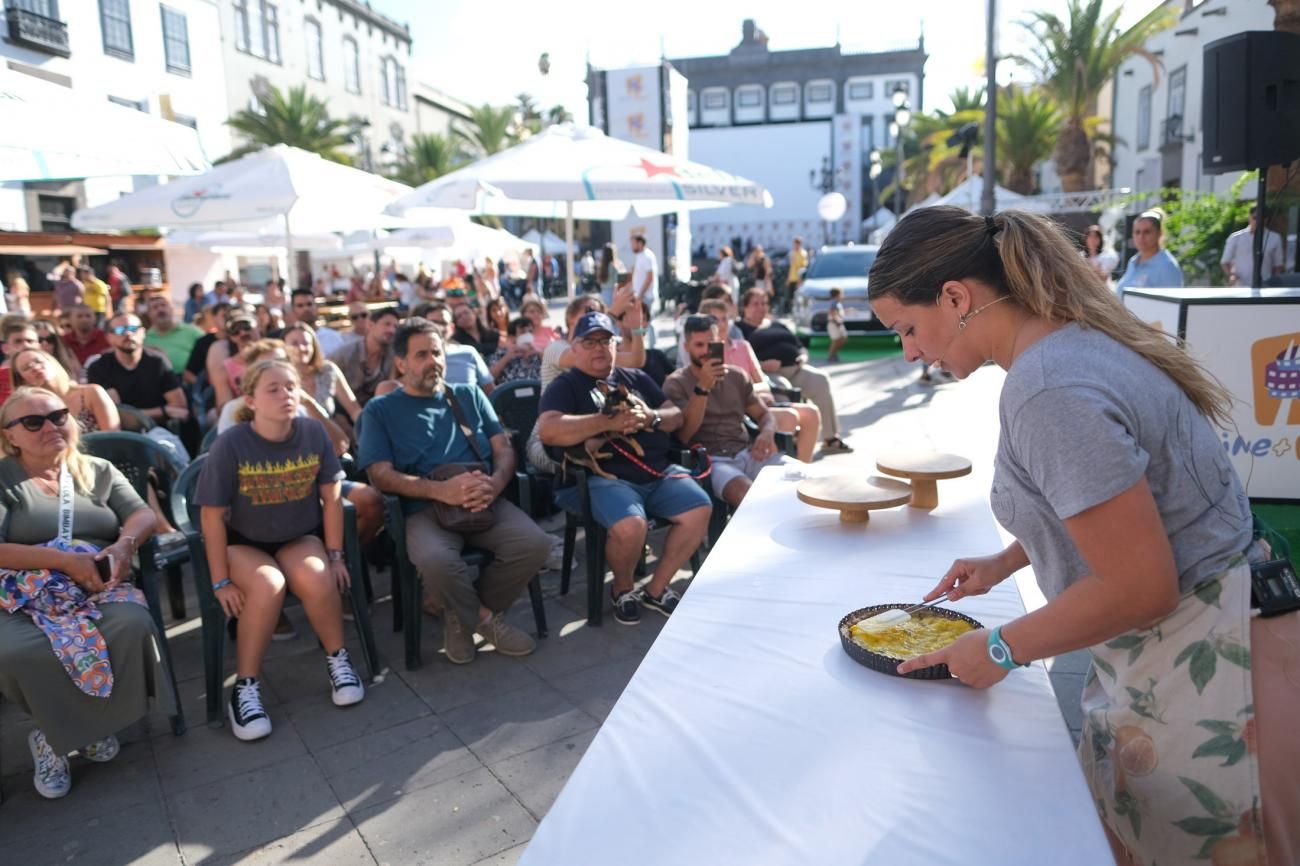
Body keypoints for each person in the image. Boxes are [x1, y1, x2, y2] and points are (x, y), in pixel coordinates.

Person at [867, 205, 1299, 866]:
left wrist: (1001, 648)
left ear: (956, 297)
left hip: (1208, 671)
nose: (910, 351)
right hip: (1219, 642)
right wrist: (1014, 556)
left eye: (908, 328)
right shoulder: (1073, 343)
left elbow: (1141, 585)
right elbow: (1125, 500)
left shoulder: (1046, 390)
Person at [0, 387, 170, 798]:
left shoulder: (96, 469)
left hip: (97, 586)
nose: (51, 427)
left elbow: (142, 514)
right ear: (10, 436)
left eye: (58, 416)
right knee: (16, 650)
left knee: (131, 623)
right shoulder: (4, 479)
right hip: (26, 595)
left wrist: (123, 545)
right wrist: (63, 562)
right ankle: (53, 738)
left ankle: (83, 726)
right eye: (33, 422)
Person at [359, 317, 550, 662]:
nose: (433, 361)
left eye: (437, 352)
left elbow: (503, 449)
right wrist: (440, 492)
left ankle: (458, 616)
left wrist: (495, 483)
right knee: (436, 560)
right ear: (400, 363)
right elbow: (380, 475)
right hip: (424, 508)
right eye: (422, 355)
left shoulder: (468, 394)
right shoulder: (381, 410)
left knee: (535, 544)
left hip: (483, 498)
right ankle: (483, 619)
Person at [196, 359, 365, 740]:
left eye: (290, 386)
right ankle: (246, 687)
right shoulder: (232, 443)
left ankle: (339, 660)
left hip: (297, 534)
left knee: (317, 574)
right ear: (251, 399)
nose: (285, 394)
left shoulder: (312, 433)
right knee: (268, 584)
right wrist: (220, 580)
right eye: (273, 388)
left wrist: (336, 555)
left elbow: (333, 499)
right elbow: (210, 517)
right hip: (243, 541)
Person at [538, 311, 711, 624]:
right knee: (632, 525)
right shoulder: (566, 385)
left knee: (700, 507)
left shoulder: (635, 377)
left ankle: (657, 589)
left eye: (606, 341)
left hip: (655, 472)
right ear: (574, 348)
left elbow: (676, 416)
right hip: (599, 479)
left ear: (616, 346)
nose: (599, 348)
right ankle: (623, 589)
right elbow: (549, 430)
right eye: (589, 342)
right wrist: (607, 422)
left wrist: (651, 418)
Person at [664, 316, 785, 507]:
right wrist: (702, 387)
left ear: (720, 343)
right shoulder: (676, 382)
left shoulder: (736, 376)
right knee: (747, 494)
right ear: (687, 347)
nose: (705, 351)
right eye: (699, 345)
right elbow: (684, 434)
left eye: (711, 344)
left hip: (748, 452)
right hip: (712, 461)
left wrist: (767, 432)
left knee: (800, 479)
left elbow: (764, 414)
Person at [699, 298, 821, 463]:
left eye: (724, 318)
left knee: (811, 413)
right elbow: (718, 393)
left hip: (760, 403)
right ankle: (772, 470)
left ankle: (802, 471)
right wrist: (750, 394)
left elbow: (763, 382)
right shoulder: (706, 353)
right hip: (738, 412)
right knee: (789, 416)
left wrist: (754, 392)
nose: (722, 324)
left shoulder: (743, 346)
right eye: (715, 320)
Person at [738, 289, 851, 454]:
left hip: (797, 368)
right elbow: (741, 358)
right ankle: (792, 443)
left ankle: (830, 437)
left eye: (764, 303)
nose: (761, 307)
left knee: (820, 379)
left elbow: (799, 346)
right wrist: (762, 365)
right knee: (784, 390)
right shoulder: (741, 329)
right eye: (755, 304)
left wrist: (803, 356)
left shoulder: (777, 324)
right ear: (745, 307)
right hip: (768, 374)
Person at [86, 313, 190, 427]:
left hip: (157, 430)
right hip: (118, 433)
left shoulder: (157, 362)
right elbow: (114, 413)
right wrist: (164, 411)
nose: (128, 334)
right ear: (109, 338)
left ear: (143, 333)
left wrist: (137, 414)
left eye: (133, 329)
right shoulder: (99, 368)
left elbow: (179, 407)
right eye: (120, 330)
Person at [10, 348, 116, 434]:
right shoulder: (30, 411)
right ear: (22, 380)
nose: (35, 367)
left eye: (38, 361)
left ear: (51, 362)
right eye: (26, 367)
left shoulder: (91, 392)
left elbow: (114, 438)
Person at [283, 323, 362, 424]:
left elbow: (354, 410)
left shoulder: (328, 370)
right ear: (284, 347)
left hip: (329, 434)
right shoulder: (280, 377)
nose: (302, 348)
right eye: (294, 344)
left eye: (306, 343)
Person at [329, 306, 397, 406]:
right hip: (343, 411)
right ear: (370, 325)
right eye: (386, 324)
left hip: (380, 410)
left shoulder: (394, 355)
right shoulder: (345, 353)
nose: (391, 330)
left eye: (395, 327)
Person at [1116, 210, 1183, 297]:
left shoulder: (1167, 266)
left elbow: (1172, 307)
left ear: (1159, 233)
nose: (1141, 237)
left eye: (1147, 232)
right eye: (1137, 232)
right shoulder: (1133, 261)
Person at [1220, 206, 1285, 288]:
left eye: (1262, 218)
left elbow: (1278, 265)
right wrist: (1231, 275)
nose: (1258, 221)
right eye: (1255, 217)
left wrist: (1273, 283)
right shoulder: (1235, 237)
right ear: (1249, 217)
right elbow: (1225, 262)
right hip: (1241, 286)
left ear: (1266, 219)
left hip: (1265, 286)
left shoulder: (1274, 237)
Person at [209, 310, 261, 411]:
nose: (242, 333)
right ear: (231, 337)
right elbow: (224, 407)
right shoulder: (224, 369)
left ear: (258, 327)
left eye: (246, 326)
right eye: (235, 330)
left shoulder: (276, 356)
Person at [144, 294, 204, 376]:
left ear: (172, 309)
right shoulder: (144, 339)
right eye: (155, 307)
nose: (160, 309)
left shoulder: (193, 332)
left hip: (193, 382)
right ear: (149, 314)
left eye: (163, 305)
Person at [487, 316, 543, 383]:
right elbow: (489, 377)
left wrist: (540, 354)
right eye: (523, 332)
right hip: (511, 391)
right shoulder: (501, 353)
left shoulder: (539, 353)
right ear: (512, 337)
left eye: (530, 332)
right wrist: (507, 357)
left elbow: (554, 374)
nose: (528, 335)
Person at [290, 289, 344, 357]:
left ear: (317, 307)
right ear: (293, 310)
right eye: (300, 306)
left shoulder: (334, 337)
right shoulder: (287, 339)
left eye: (309, 304)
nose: (306, 309)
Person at [0, 319, 40, 406]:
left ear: (38, 345)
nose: (26, 345)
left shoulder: (53, 370)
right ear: (5, 348)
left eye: (30, 341)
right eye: (18, 341)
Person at [630, 233, 659, 311]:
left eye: (633, 243)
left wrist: (641, 294)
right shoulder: (641, 255)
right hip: (642, 296)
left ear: (640, 243)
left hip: (646, 296)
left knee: (646, 321)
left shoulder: (647, 256)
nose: (631, 246)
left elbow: (650, 277)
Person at [785, 236, 808, 314]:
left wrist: (800, 280)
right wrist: (788, 278)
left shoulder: (803, 254)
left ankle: (800, 313)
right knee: (791, 297)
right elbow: (791, 267)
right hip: (792, 278)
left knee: (799, 297)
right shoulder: (792, 253)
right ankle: (793, 312)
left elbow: (802, 268)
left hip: (799, 279)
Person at [597, 242, 623, 308]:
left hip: (603, 292)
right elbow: (619, 281)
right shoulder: (615, 265)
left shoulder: (602, 265)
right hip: (613, 293)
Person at [826, 287, 848, 362]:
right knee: (835, 340)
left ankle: (834, 353)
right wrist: (836, 320)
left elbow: (839, 312)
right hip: (834, 324)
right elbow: (832, 312)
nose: (842, 295)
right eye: (841, 294)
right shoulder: (834, 302)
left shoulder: (838, 303)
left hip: (838, 323)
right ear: (837, 295)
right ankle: (831, 355)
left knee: (843, 338)